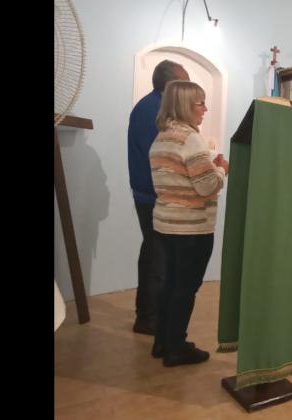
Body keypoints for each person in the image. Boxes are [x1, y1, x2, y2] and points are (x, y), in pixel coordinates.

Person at [149, 80, 229, 367]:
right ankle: (176, 348)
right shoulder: (191, 139)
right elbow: (207, 186)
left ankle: (162, 342)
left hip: (167, 224)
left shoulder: (162, 137)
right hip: (191, 227)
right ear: (185, 105)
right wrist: (221, 169)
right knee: (185, 288)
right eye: (200, 103)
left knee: (170, 284)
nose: (205, 109)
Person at [128, 60, 191, 335]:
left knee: (153, 254)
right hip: (154, 196)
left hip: (151, 194)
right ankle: (148, 318)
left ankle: (148, 313)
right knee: (158, 258)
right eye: (184, 83)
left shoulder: (151, 107)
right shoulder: (153, 111)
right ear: (169, 85)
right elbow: (164, 158)